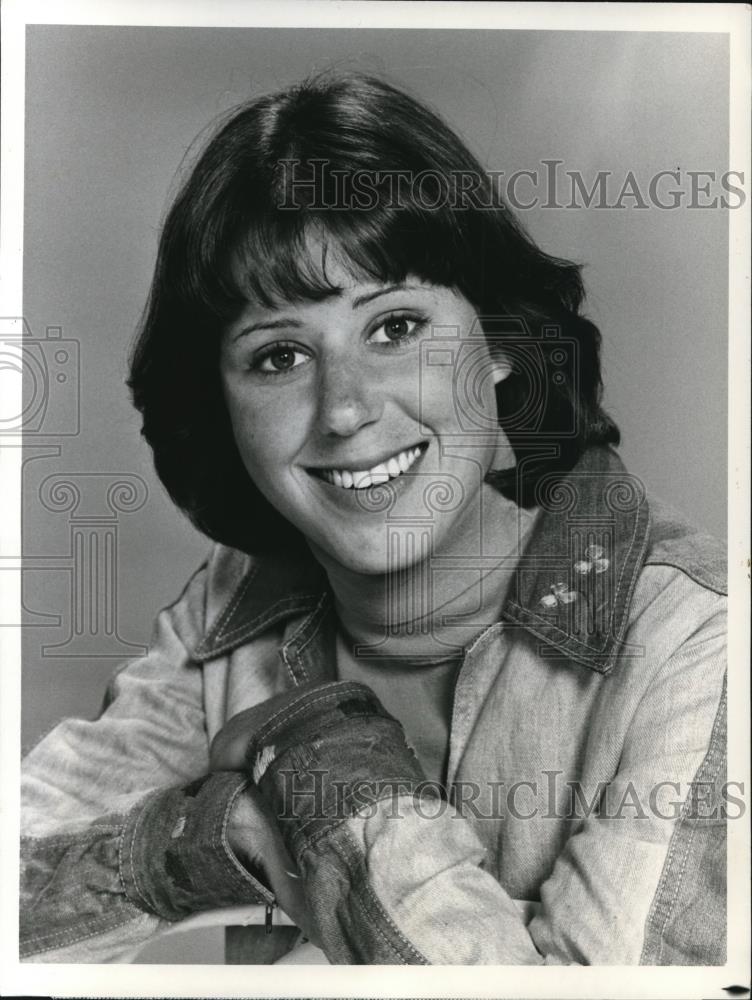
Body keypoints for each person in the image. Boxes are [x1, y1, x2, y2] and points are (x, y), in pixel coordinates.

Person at [20, 72, 727, 965]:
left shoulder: (700, 643)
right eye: (279, 355)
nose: (344, 410)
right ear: (221, 404)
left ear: (503, 344)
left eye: (395, 328)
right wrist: (228, 834)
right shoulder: (232, 610)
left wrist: (316, 764)